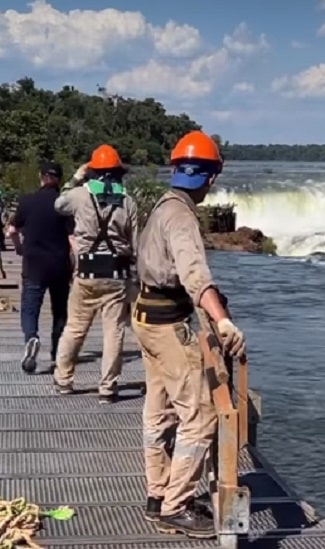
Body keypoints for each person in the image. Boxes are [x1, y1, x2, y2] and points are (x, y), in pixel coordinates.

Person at [132, 131, 246, 538]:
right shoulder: (181, 216)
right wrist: (223, 321)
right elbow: (196, 277)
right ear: (210, 178)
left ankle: (158, 493)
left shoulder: (162, 205)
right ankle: (175, 506)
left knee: (159, 408)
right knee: (200, 416)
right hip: (166, 325)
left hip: (144, 315)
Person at [52, 145, 138, 404]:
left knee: (75, 328)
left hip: (86, 273)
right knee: (114, 332)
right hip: (117, 274)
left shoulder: (79, 195)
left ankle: (64, 380)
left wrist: (76, 177)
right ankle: (107, 388)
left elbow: (58, 204)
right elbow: (135, 244)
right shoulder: (128, 201)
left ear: (93, 171)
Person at [6, 162, 74, 374]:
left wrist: (19, 249)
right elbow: (73, 239)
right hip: (59, 266)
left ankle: (32, 337)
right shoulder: (63, 205)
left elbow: (11, 231)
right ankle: (57, 354)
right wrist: (78, 264)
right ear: (59, 180)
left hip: (33, 264)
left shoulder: (27, 202)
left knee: (29, 308)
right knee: (60, 311)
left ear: (41, 177)